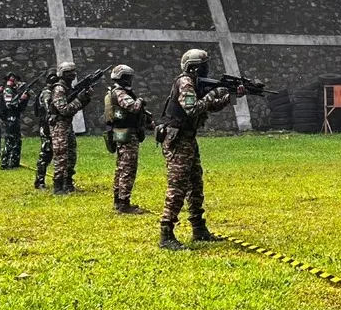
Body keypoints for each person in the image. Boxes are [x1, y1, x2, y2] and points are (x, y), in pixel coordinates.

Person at [156, 49, 244, 250]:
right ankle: (166, 234)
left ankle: (199, 228)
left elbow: (209, 107)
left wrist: (230, 97)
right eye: (203, 65)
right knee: (177, 187)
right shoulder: (186, 82)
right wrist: (214, 92)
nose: (207, 69)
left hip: (188, 139)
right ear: (193, 67)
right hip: (178, 140)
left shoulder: (195, 83)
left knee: (195, 185)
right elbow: (192, 108)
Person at [105, 65, 152, 214]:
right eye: (129, 78)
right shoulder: (120, 93)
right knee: (128, 168)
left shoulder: (116, 92)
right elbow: (133, 108)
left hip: (121, 132)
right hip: (127, 134)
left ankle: (119, 201)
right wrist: (141, 101)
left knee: (121, 167)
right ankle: (124, 203)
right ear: (124, 78)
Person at [48, 62, 92, 195]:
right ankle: (58, 186)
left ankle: (68, 182)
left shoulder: (68, 88)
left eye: (73, 72)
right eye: (69, 72)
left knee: (71, 154)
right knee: (61, 155)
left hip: (67, 125)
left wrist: (85, 98)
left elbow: (75, 107)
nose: (72, 75)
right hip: (59, 125)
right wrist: (79, 100)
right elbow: (64, 110)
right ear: (62, 73)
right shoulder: (59, 90)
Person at [0, 72, 35, 170]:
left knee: (16, 140)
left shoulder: (13, 90)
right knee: (10, 140)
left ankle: (14, 162)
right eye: (14, 80)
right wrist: (21, 99)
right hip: (10, 117)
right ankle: (5, 163)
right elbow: (9, 105)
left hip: (15, 117)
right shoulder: (7, 90)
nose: (16, 82)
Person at [33, 72, 57, 190]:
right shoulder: (46, 93)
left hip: (52, 125)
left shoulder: (52, 92)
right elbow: (48, 108)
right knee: (46, 153)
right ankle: (39, 180)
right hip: (46, 126)